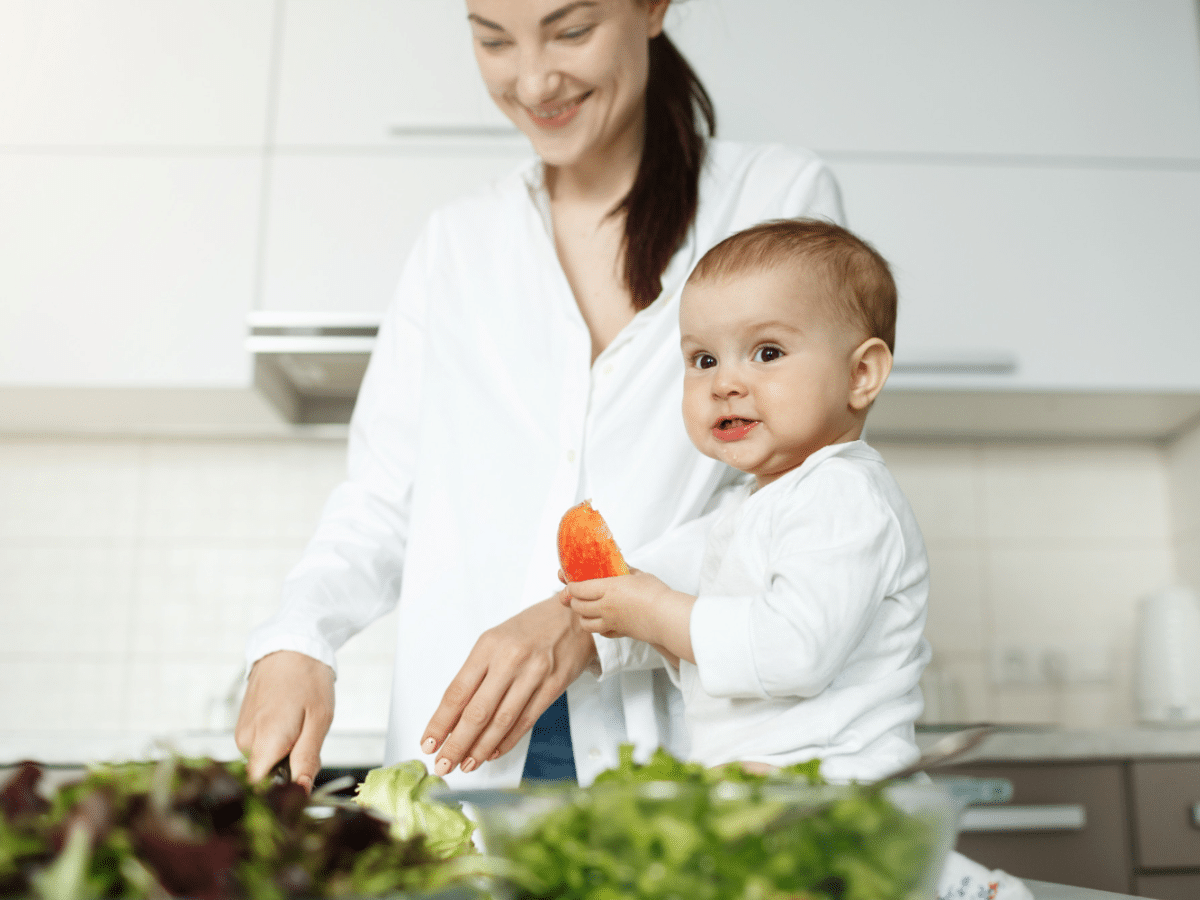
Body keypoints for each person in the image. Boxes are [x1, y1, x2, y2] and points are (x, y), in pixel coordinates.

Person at [235, 0, 846, 791]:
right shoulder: (459, 242)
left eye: (571, 31)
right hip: (466, 757)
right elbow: (383, 497)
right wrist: (296, 640)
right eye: (492, 39)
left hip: (687, 748)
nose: (531, 79)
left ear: (652, 9)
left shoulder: (772, 199)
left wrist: (587, 622)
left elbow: (794, 498)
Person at [561, 219, 932, 783]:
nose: (724, 383)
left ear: (861, 374)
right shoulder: (753, 505)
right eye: (703, 359)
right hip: (777, 797)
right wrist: (630, 619)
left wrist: (656, 610)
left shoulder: (841, 494)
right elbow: (728, 657)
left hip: (843, 799)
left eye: (766, 351)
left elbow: (792, 650)